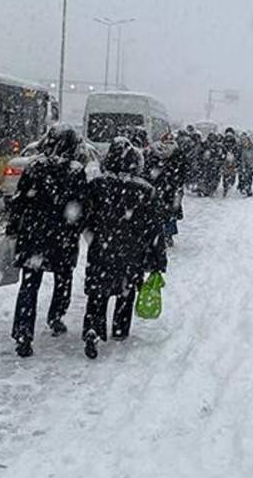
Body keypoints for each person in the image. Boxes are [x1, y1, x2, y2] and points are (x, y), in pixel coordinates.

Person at [6, 125, 88, 358]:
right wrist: (75, 227)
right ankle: (56, 316)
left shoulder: (34, 167)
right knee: (63, 278)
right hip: (62, 236)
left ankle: (23, 332)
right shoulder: (75, 171)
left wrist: (13, 228)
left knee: (29, 284)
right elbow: (81, 206)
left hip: (33, 235)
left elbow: (19, 201)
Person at [81, 138, 167, 359]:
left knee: (97, 293)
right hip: (131, 251)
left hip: (101, 247)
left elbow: (85, 216)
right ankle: (119, 329)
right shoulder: (145, 190)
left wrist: (93, 234)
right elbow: (155, 228)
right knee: (125, 291)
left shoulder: (97, 185)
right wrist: (158, 259)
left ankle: (93, 328)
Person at [146, 132, 188, 247]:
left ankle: (158, 233)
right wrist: (178, 182)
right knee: (171, 212)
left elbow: (148, 169)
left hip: (157, 187)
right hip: (172, 188)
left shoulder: (154, 152)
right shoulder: (178, 153)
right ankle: (168, 234)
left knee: (157, 211)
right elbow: (184, 170)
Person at [221, 127, 239, 197]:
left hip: (227, 159)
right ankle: (227, 186)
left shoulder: (225, 140)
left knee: (226, 175)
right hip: (230, 159)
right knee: (230, 174)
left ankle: (226, 187)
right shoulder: (233, 141)